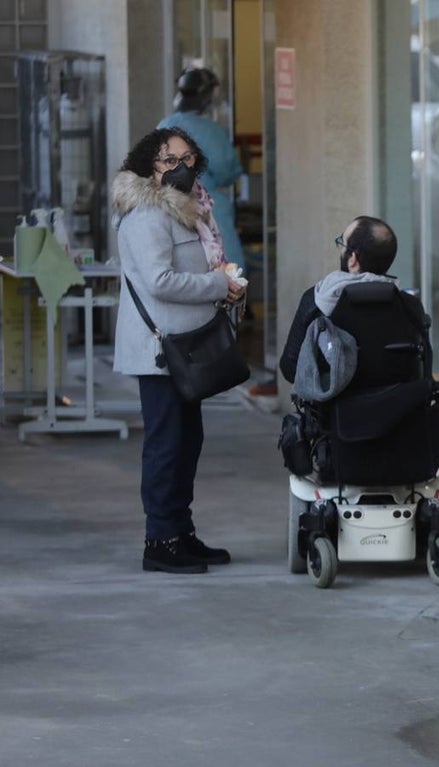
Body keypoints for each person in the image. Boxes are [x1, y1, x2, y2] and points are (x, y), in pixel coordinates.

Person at [112, 127, 246, 574]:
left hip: (186, 347)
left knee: (187, 443)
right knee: (167, 447)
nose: (180, 167)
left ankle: (181, 532)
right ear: (149, 165)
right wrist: (216, 285)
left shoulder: (190, 210)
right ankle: (160, 541)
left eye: (187, 158)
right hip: (161, 350)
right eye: (169, 160)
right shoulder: (147, 215)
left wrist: (221, 287)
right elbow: (159, 282)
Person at [278, 215, 400, 384]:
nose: (339, 249)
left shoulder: (317, 300)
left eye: (341, 243)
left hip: (335, 406)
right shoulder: (407, 304)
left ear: (353, 260)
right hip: (395, 403)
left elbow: (290, 368)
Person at [158, 67, 245, 270]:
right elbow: (227, 172)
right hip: (208, 212)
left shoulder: (164, 126)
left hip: (170, 209)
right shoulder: (211, 131)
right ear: (205, 97)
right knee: (229, 271)